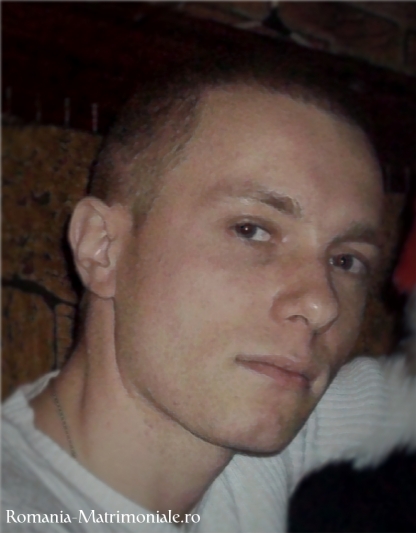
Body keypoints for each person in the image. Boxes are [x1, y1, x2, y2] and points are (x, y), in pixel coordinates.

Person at [2, 50, 415, 532]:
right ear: (102, 248)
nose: (322, 304)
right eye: (251, 230)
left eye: (346, 260)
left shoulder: (290, 440)